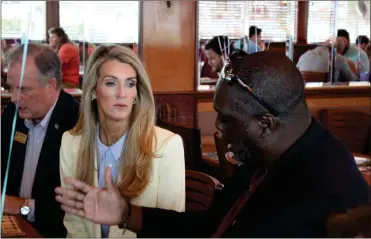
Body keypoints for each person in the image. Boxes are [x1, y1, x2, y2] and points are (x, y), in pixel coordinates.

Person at [55, 51, 371, 237]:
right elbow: (210, 226)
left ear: (265, 124)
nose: (217, 129)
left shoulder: (329, 193)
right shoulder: (265, 157)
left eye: (225, 119)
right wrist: (125, 213)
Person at [58, 44, 186, 237]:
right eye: (111, 83)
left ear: (136, 93)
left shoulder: (168, 146)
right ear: (93, 91)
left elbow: (170, 231)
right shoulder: (70, 142)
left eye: (130, 84)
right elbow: (75, 223)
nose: (122, 94)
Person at [1, 43, 80, 237]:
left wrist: (22, 207)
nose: (14, 98)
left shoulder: (77, 124)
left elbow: (69, 211)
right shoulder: (14, 113)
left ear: (51, 85)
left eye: (23, 89)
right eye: (11, 87)